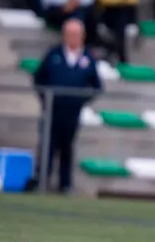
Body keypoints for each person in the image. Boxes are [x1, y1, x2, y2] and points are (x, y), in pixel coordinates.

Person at [28, 18, 103, 193]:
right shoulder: (53, 54)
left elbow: (96, 86)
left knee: (67, 148)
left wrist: (81, 99)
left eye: (76, 34)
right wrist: (45, 97)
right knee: (47, 145)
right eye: (69, 34)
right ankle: (42, 181)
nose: (72, 37)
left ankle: (65, 184)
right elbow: (39, 78)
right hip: (52, 110)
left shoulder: (88, 59)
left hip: (72, 113)